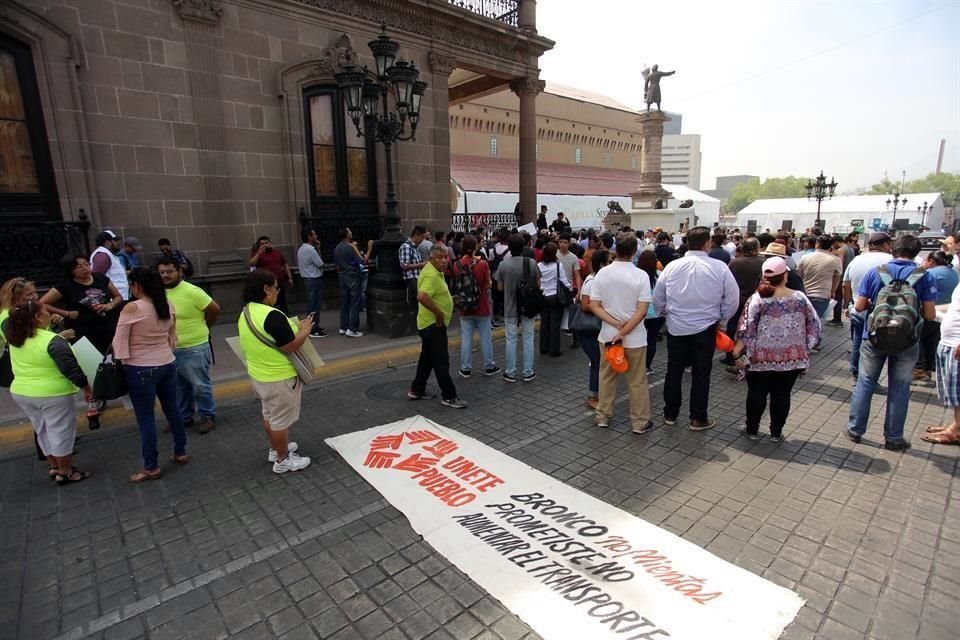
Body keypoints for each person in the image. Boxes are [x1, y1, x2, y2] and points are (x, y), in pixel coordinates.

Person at [846, 234, 937, 451]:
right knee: (900, 387)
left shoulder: (878, 272)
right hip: (908, 339)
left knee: (865, 382)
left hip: (874, 337)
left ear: (892, 249)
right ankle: (894, 437)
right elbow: (930, 314)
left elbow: (859, 307)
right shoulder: (925, 276)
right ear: (916, 252)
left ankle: (855, 429)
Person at [653, 226, 739, 431]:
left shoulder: (672, 267)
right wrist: (722, 318)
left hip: (676, 327)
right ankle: (698, 417)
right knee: (701, 373)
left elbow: (658, 298)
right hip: (706, 327)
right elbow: (732, 299)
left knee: (674, 370)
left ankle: (670, 414)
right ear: (707, 243)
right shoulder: (719, 267)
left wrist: (666, 314)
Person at [731, 257, 820, 442]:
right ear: (785, 276)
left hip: (760, 356)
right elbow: (814, 324)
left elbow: (745, 327)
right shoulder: (799, 298)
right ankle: (776, 432)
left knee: (757, 393)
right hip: (792, 357)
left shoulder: (758, 299)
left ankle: (752, 429)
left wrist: (740, 348)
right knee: (782, 394)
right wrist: (805, 346)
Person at [114, 268, 189, 482]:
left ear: (137, 285)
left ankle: (151, 466)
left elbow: (119, 343)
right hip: (167, 363)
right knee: (173, 409)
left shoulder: (132, 308)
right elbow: (172, 339)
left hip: (140, 368)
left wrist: (123, 365)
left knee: (146, 418)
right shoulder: (167, 305)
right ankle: (180, 451)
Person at [6, 300, 93, 484]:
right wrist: (86, 387)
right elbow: (71, 369)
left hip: (22, 393)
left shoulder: (15, 338)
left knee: (42, 429)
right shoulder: (53, 341)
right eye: (45, 311)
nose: (48, 314)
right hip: (52, 395)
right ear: (38, 317)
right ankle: (66, 471)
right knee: (61, 432)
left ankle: (54, 467)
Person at [238, 269, 313, 473]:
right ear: (266, 288)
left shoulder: (247, 312)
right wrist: (305, 331)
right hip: (279, 377)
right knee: (280, 421)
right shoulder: (272, 315)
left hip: (260, 375)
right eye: (276, 288)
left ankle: (276, 449)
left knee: (270, 415)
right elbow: (289, 346)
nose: (278, 292)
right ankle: (283, 460)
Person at [40, 255, 123, 430]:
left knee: (110, 362)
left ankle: (111, 390)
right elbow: (42, 303)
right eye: (79, 266)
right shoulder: (65, 285)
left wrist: (108, 306)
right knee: (89, 367)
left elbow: (118, 297)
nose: (85, 268)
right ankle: (94, 401)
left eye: (87, 264)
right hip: (82, 331)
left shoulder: (100, 278)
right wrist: (67, 314)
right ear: (71, 270)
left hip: (106, 327)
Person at [589, 232, 654, 433]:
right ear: (635, 251)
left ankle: (603, 416)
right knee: (637, 380)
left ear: (615, 250)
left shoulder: (602, 273)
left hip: (608, 336)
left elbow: (594, 305)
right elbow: (642, 311)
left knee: (606, 377)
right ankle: (640, 422)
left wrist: (615, 325)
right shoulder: (641, 275)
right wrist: (625, 329)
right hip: (635, 338)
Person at [158, 257, 220, 434]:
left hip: (194, 347)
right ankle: (184, 418)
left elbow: (215, 309)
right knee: (178, 387)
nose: (165, 275)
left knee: (200, 385)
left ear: (179, 271)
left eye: (169, 271)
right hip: (170, 349)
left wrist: (205, 327)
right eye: (162, 272)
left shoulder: (193, 291)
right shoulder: (159, 293)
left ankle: (207, 415)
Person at [408, 246, 467, 408]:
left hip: (428, 324)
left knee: (427, 359)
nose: (444, 261)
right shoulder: (431, 275)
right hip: (433, 325)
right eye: (440, 257)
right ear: (432, 258)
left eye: (446, 257)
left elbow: (432, 294)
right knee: (441, 361)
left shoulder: (431, 269)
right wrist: (440, 314)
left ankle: (417, 389)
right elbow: (421, 296)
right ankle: (449, 396)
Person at [842, 232, 893, 383]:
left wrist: (848, 304)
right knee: (878, 346)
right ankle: (870, 378)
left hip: (858, 308)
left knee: (858, 340)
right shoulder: (891, 260)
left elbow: (846, 284)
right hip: (883, 311)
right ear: (885, 245)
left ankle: (856, 373)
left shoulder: (857, 260)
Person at [496, 234, 539, 382]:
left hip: (510, 306)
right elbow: (538, 285)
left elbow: (500, 288)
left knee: (511, 339)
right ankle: (528, 371)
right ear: (523, 247)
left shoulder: (503, 265)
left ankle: (510, 372)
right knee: (528, 338)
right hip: (528, 307)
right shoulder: (531, 263)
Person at [455, 235, 499, 378]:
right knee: (485, 337)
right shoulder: (482, 264)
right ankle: (489, 365)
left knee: (466, 338)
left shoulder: (457, 265)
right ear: (475, 247)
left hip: (464, 307)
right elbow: (487, 285)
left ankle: (465, 368)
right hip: (482, 305)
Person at [922, 282, 960, 446]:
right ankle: (955, 424)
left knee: (958, 391)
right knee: (953, 391)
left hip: (956, 343)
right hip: (949, 341)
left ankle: (956, 431)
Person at [915, 250, 958, 383]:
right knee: (931, 341)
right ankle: (928, 369)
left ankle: (919, 369)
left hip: (930, 310)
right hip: (945, 313)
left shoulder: (931, 273)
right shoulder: (954, 272)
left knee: (919, 338)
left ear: (931, 261)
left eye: (926, 260)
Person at [721, 238, 764, 367]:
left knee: (732, 327)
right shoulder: (762, 263)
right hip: (755, 301)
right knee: (750, 329)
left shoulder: (734, 263)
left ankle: (730, 355)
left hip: (736, 300)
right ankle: (747, 356)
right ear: (756, 248)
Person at [577, 249, 611, 409]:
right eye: (609, 261)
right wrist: (603, 307)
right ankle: (593, 396)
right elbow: (585, 305)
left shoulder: (603, 279)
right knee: (596, 362)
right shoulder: (591, 281)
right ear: (602, 263)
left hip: (600, 326)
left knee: (599, 361)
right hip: (590, 328)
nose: (612, 264)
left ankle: (597, 393)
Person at [538, 242, 572, 357]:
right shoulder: (558, 266)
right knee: (555, 323)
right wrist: (570, 288)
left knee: (544, 322)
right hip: (555, 296)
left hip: (543, 296)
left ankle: (543, 347)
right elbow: (564, 281)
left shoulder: (539, 266)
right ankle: (554, 349)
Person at [796, 235, 841, 320]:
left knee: (802, 321)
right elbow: (836, 278)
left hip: (804, 293)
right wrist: (833, 291)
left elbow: (799, 274)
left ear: (817, 244)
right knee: (815, 322)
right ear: (830, 245)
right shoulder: (836, 260)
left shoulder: (805, 257)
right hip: (822, 296)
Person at [296, 228, 328, 338]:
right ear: (309, 237)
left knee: (312, 304)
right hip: (314, 279)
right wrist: (318, 249)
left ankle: (313, 326)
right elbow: (320, 263)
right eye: (314, 234)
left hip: (307, 279)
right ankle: (313, 329)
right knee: (314, 305)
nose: (316, 236)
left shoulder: (301, 249)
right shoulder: (310, 249)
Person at [249, 236, 293, 314]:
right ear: (259, 245)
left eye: (267, 243)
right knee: (268, 304)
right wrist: (259, 253)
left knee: (282, 303)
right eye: (262, 244)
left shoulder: (277, 252)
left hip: (279, 282)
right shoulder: (258, 253)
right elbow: (251, 264)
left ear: (270, 243)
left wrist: (290, 277)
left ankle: (285, 319)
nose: (265, 245)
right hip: (266, 284)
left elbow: (285, 264)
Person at [636, 250, 665, 372]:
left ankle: (636, 364)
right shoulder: (660, 275)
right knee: (651, 340)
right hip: (656, 313)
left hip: (639, 313)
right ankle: (647, 366)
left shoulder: (636, 275)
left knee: (638, 339)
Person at [334, 227, 363, 338]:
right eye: (349, 231)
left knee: (344, 303)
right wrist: (369, 249)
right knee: (355, 303)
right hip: (352, 276)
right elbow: (362, 261)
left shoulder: (336, 248)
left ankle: (343, 327)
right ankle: (352, 329)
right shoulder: (351, 247)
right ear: (347, 235)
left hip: (342, 277)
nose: (351, 232)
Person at [90, 230, 129, 299]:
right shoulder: (102, 255)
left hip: (119, 298)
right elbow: (97, 279)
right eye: (115, 241)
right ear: (107, 242)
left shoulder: (109, 254)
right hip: (113, 301)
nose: (118, 243)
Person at [399, 225, 427, 308]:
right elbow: (404, 266)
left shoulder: (415, 247)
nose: (423, 240)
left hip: (417, 277)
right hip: (411, 278)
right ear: (416, 235)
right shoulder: (406, 247)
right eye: (422, 237)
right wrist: (421, 264)